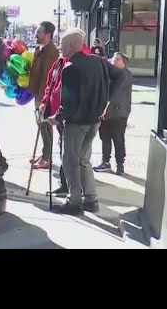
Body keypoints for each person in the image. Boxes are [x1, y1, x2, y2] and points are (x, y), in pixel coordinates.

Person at [49, 29, 109, 215]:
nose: (60, 47)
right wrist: (102, 109)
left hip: (77, 122)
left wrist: (56, 118)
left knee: (70, 161)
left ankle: (74, 202)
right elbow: (110, 85)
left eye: (62, 44)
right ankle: (91, 199)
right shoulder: (98, 62)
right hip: (94, 120)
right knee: (83, 160)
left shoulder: (70, 68)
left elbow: (69, 102)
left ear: (71, 46)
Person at [94, 52, 133, 176]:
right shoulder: (110, 75)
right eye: (113, 59)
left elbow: (115, 93)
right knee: (105, 138)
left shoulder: (124, 74)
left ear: (124, 63)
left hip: (118, 113)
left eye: (117, 59)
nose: (113, 62)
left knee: (118, 139)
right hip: (106, 113)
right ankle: (105, 162)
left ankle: (120, 164)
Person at [28, 21, 59, 170]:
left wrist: (44, 101)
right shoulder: (39, 49)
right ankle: (44, 154)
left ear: (48, 35)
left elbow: (49, 78)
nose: (36, 34)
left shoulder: (51, 52)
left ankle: (46, 158)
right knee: (41, 126)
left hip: (44, 97)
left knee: (45, 126)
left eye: (39, 32)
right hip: (37, 94)